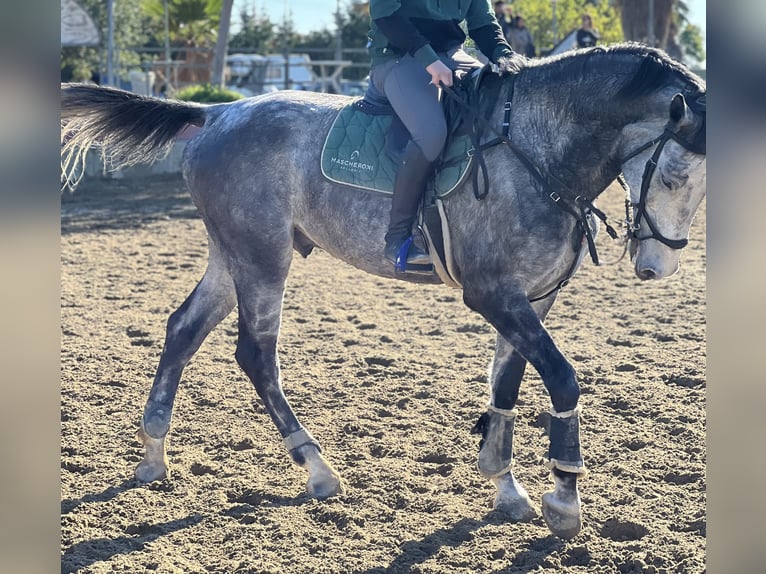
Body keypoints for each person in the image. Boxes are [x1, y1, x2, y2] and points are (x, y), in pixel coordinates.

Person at [366, 0, 519, 268]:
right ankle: (398, 236)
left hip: (451, 54)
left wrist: (507, 59)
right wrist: (430, 60)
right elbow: (386, 16)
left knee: (506, 107)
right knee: (431, 133)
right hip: (398, 56)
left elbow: (484, 25)